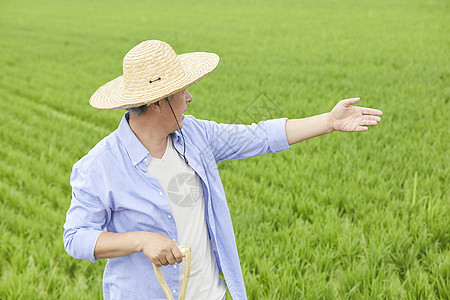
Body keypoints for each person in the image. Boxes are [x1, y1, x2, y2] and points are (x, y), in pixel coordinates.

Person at [63, 40, 382, 300]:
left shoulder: (196, 135)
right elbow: (76, 238)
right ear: (158, 102)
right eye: (181, 92)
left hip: (209, 293)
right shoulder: (99, 167)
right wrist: (141, 240)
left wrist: (328, 121)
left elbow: (259, 136)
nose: (190, 98)